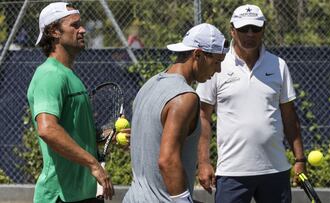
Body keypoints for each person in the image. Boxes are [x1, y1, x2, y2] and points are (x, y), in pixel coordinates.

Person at [196, 4, 306, 203]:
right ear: (232, 30)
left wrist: (300, 159)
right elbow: (203, 116)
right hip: (231, 172)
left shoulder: (278, 65)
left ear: (263, 29)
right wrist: (203, 162)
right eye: (243, 29)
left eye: (255, 28)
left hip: (276, 170)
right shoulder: (217, 65)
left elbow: (290, 116)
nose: (249, 34)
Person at [123, 23, 229, 203]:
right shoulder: (186, 97)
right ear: (198, 54)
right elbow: (167, 160)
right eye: (217, 62)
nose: (218, 70)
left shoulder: (149, 85)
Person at [27, 2, 114, 202]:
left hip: (82, 194)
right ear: (54, 31)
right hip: (59, 196)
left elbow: (76, 133)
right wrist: (93, 164)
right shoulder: (49, 75)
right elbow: (47, 129)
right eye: (74, 25)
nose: (82, 29)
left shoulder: (69, 75)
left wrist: (110, 135)